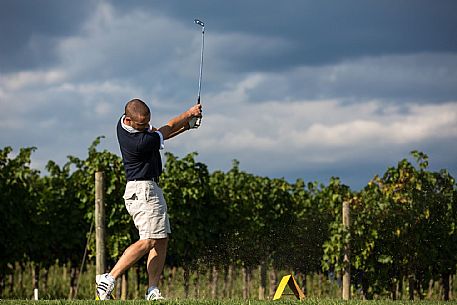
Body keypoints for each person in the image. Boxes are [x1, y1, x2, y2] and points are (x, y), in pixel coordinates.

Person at [96, 98, 202, 300]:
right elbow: (168, 129)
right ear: (129, 120)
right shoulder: (140, 142)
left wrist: (187, 127)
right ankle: (108, 280)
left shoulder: (123, 125)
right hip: (143, 190)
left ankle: (152, 290)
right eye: (142, 125)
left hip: (149, 188)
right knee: (149, 240)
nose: (146, 127)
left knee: (161, 239)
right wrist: (189, 114)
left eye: (147, 123)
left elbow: (163, 133)